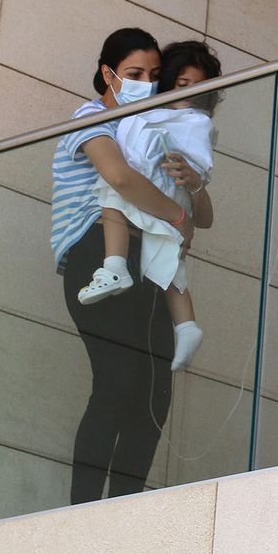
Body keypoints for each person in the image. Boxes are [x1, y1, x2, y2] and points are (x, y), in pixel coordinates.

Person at [50, 28, 212, 503]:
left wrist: (193, 187)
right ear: (108, 74)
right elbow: (118, 177)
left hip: (148, 263)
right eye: (134, 74)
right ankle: (83, 508)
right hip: (96, 253)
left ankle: (124, 507)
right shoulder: (92, 117)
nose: (146, 83)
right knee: (117, 382)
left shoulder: (152, 127)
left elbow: (200, 211)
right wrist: (177, 214)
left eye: (154, 76)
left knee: (154, 394)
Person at [79, 41, 224, 372]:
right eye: (181, 83)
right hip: (162, 196)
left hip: (166, 191)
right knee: (168, 259)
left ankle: (114, 266)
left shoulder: (194, 121)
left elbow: (202, 209)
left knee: (114, 198)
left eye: (198, 87)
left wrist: (192, 182)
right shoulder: (132, 113)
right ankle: (186, 326)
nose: (188, 93)